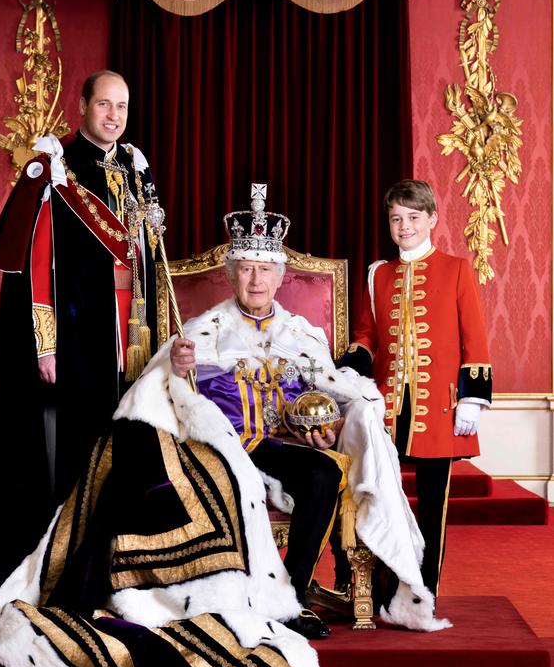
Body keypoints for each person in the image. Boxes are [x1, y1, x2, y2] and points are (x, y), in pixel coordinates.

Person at [161, 184, 446, 638]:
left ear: (281, 277)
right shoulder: (206, 329)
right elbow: (166, 390)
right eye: (248, 269)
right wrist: (178, 368)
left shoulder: (302, 333)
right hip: (222, 445)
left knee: (323, 472)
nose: (256, 280)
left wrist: (325, 429)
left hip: (276, 445)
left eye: (266, 270)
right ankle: (223, 595)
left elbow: (329, 398)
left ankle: (290, 598)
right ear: (232, 275)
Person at [0, 70, 161, 646]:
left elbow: (147, 259)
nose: (115, 115)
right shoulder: (56, 166)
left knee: (126, 459)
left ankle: (118, 576)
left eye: (122, 105)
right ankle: (71, 583)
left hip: (131, 335)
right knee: (80, 461)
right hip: (77, 338)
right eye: (105, 104)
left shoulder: (136, 169)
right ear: (84, 105)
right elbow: (37, 265)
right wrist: (45, 345)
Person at [341, 179, 492, 599]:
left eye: (412, 217)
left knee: (431, 507)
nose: (404, 226)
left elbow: (474, 339)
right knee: (386, 502)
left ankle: (425, 591)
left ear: (431, 220)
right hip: (387, 409)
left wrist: (472, 399)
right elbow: (366, 334)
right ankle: (385, 589)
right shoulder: (378, 274)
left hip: (440, 409)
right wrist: (355, 358)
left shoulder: (457, 268)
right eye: (396, 218)